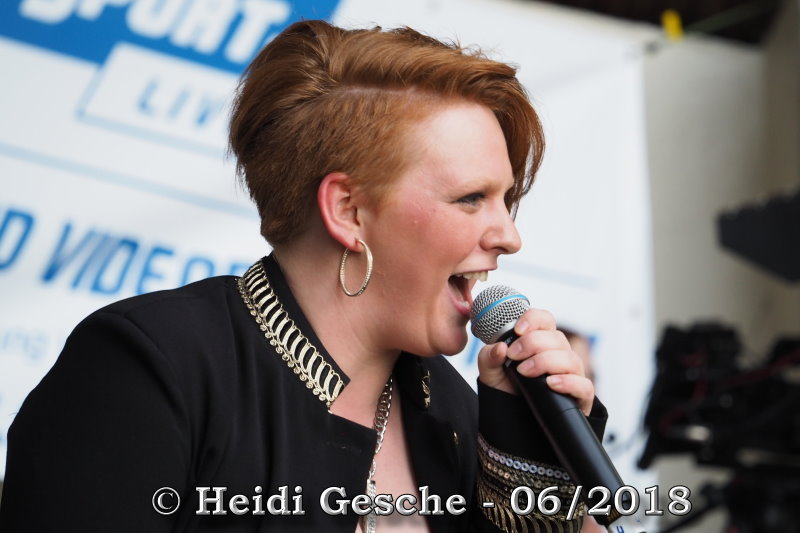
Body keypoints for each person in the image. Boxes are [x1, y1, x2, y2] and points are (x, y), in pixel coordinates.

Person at [0, 20, 607, 532]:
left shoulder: (457, 413)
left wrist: (534, 472)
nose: (509, 236)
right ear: (348, 211)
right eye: (472, 198)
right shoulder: (149, 369)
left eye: (507, 200)